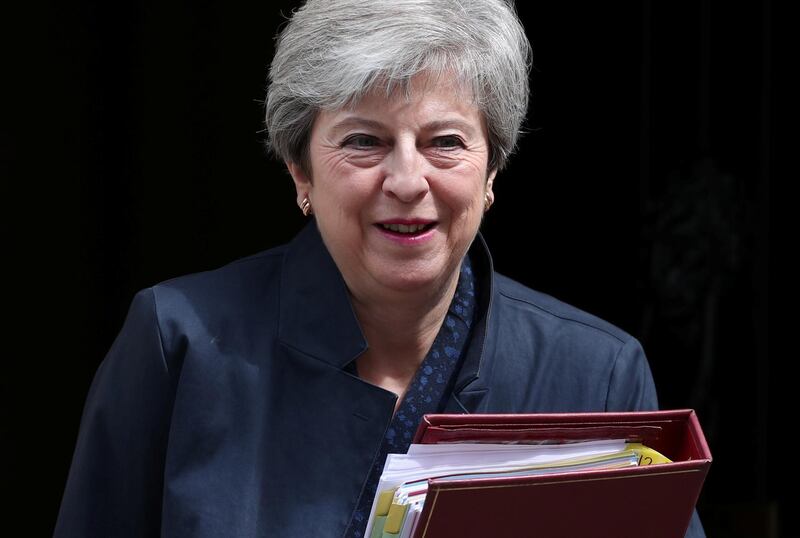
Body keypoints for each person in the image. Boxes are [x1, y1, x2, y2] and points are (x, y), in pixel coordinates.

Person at [55, 0, 705, 536]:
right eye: (364, 140)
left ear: (492, 171)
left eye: (444, 142)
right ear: (299, 169)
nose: (406, 179)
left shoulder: (596, 375)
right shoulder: (180, 343)